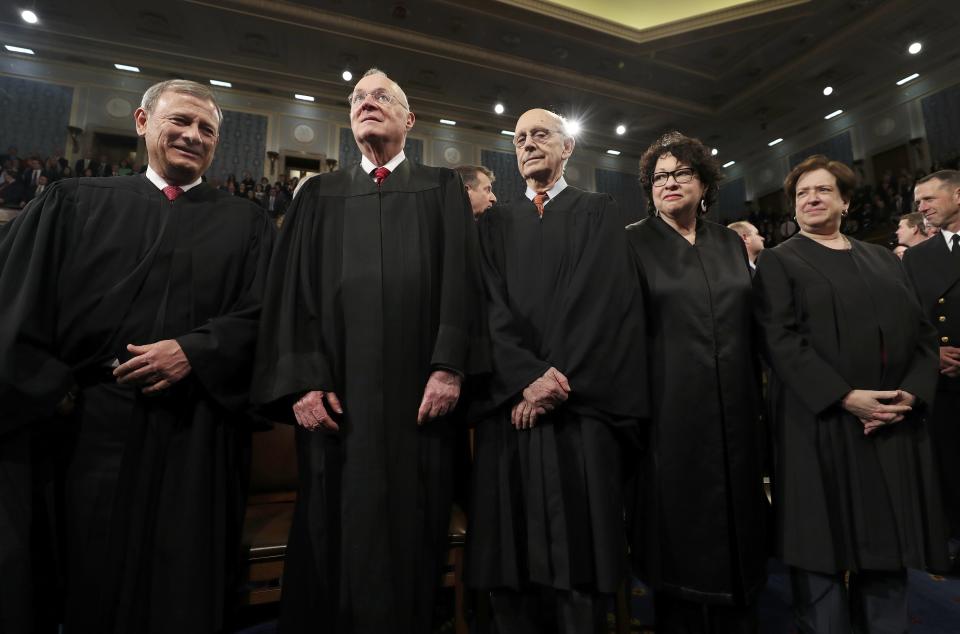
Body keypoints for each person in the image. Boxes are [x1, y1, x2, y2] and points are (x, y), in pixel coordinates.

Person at [0, 79, 275, 634]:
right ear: (143, 121)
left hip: (198, 428)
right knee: (88, 576)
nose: (192, 136)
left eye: (207, 130)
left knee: (184, 582)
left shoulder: (246, 224)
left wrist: (196, 351)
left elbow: (266, 315)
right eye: (180, 121)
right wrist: (58, 389)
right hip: (92, 430)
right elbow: (17, 303)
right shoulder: (74, 201)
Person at [251, 68, 485, 634]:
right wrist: (303, 380)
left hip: (420, 401)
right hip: (337, 403)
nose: (366, 102)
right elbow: (292, 294)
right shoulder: (318, 196)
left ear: (410, 120)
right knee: (334, 523)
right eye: (357, 97)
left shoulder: (443, 188)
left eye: (382, 96)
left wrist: (450, 367)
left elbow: (462, 282)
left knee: (413, 523)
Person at [466, 108, 648, 634]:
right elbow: (486, 307)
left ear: (567, 147)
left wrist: (553, 383)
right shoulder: (493, 224)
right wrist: (524, 377)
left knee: (581, 562)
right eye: (519, 138)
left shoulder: (598, 210)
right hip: (510, 410)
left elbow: (604, 303)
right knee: (511, 557)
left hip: (578, 408)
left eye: (540, 134)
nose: (528, 144)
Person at [754, 155, 948, 633]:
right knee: (820, 554)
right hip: (819, 425)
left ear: (844, 200)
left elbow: (923, 338)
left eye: (822, 190)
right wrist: (845, 396)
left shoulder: (882, 258)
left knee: (886, 553)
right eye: (801, 194)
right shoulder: (781, 261)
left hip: (890, 425)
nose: (811, 199)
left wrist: (911, 396)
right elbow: (779, 340)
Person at [626, 131, 767, 633]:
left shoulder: (729, 241)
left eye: (680, 173)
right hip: (670, 415)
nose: (669, 183)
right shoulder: (631, 242)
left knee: (740, 533)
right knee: (678, 546)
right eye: (659, 176)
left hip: (737, 412)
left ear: (704, 182)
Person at [903, 169, 960, 568]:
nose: (920, 207)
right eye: (918, 201)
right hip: (945, 383)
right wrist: (930, 352)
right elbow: (906, 317)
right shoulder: (919, 257)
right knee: (951, 466)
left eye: (928, 198)